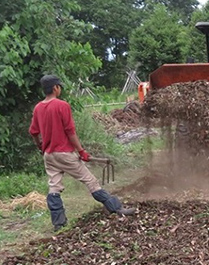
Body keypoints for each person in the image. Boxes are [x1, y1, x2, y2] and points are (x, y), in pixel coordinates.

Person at [29, 74, 135, 231]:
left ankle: (59, 223)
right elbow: (70, 132)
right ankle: (117, 209)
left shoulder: (38, 108)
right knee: (90, 181)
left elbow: (33, 132)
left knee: (54, 188)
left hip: (49, 155)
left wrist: (40, 146)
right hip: (65, 153)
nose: (60, 90)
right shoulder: (62, 105)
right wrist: (81, 151)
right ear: (55, 88)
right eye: (60, 87)